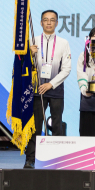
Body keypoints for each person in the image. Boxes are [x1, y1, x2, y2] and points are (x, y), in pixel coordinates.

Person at [24, 10, 72, 168]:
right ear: (41, 22)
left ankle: (56, 160)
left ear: (57, 23)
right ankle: (30, 159)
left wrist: (51, 84)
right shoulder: (33, 41)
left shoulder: (63, 43)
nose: (49, 22)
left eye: (52, 20)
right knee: (35, 126)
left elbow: (66, 69)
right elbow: (23, 66)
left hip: (56, 90)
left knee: (57, 125)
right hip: (37, 90)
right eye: (46, 20)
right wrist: (29, 55)